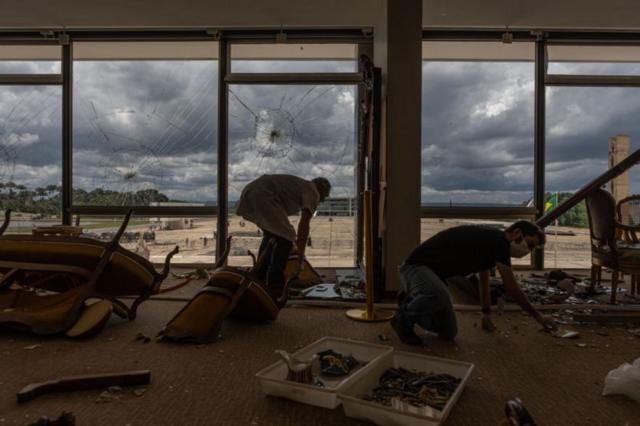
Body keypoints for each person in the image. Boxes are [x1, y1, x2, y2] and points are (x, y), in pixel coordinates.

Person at [390, 220, 557, 345]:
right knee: (438, 296)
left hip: (432, 276)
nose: (528, 251)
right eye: (530, 244)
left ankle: (411, 300)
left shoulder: (492, 245)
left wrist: (486, 313)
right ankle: (402, 319)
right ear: (517, 233)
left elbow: (483, 279)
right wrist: (538, 317)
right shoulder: (498, 242)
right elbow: (511, 287)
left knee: (448, 332)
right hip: (416, 268)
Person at [236, 174, 331, 296]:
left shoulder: (300, 186)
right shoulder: (312, 190)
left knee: (272, 236)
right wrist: (300, 258)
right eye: (325, 197)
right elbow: (304, 225)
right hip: (264, 194)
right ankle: (275, 284)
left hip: (252, 191)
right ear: (322, 189)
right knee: (286, 237)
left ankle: (259, 277)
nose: (322, 201)